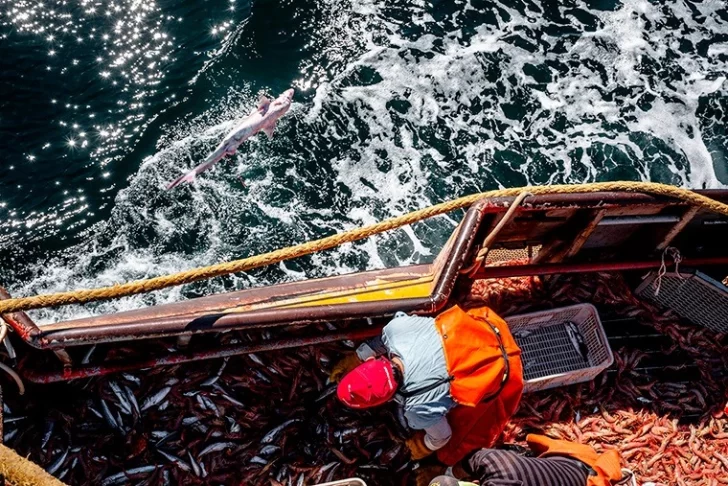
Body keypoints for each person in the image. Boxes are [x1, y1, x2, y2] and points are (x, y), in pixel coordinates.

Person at [329, 305, 523, 465]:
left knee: (460, 443)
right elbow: (383, 340)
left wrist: (421, 446)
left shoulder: (418, 408)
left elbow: (442, 436)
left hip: (504, 369)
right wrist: (358, 355)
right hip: (487, 325)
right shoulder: (396, 330)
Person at [427, 434, 626, 486]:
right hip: (574, 466)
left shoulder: (495, 465)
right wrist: (446, 472)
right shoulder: (491, 461)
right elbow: (470, 460)